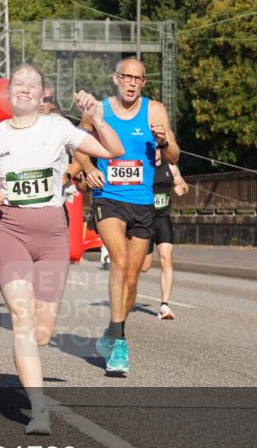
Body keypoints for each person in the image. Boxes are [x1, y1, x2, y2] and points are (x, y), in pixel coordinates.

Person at [0, 63, 124, 433]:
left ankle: (31, 371)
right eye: (18, 84)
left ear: (42, 96)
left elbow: (114, 150)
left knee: (43, 329)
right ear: (8, 93)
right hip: (11, 233)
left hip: (53, 236)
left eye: (32, 85)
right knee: (23, 320)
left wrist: (97, 118)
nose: (24, 89)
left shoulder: (58, 128)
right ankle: (38, 408)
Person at [73, 57, 179, 375]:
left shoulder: (155, 110)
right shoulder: (99, 110)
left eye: (138, 79)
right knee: (118, 262)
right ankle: (120, 343)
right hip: (109, 198)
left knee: (132, 278)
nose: (132, 83)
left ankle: (111, 331)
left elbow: (175, 155)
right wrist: (90, 169)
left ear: (143, 83)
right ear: (116, 78)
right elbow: (76, 142)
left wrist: (164, 142)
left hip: (143, 200)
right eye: (127, 77)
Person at [140, 149, 189, 319]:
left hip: (162, 218)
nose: (154, 152)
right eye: (150, 148)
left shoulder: (171, 168)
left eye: (157, 148)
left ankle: (164, 305)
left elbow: (182, 183)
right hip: (144, 220)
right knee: (144, 267)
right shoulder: (142, 167)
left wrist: (182, 188)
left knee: (166, 257)